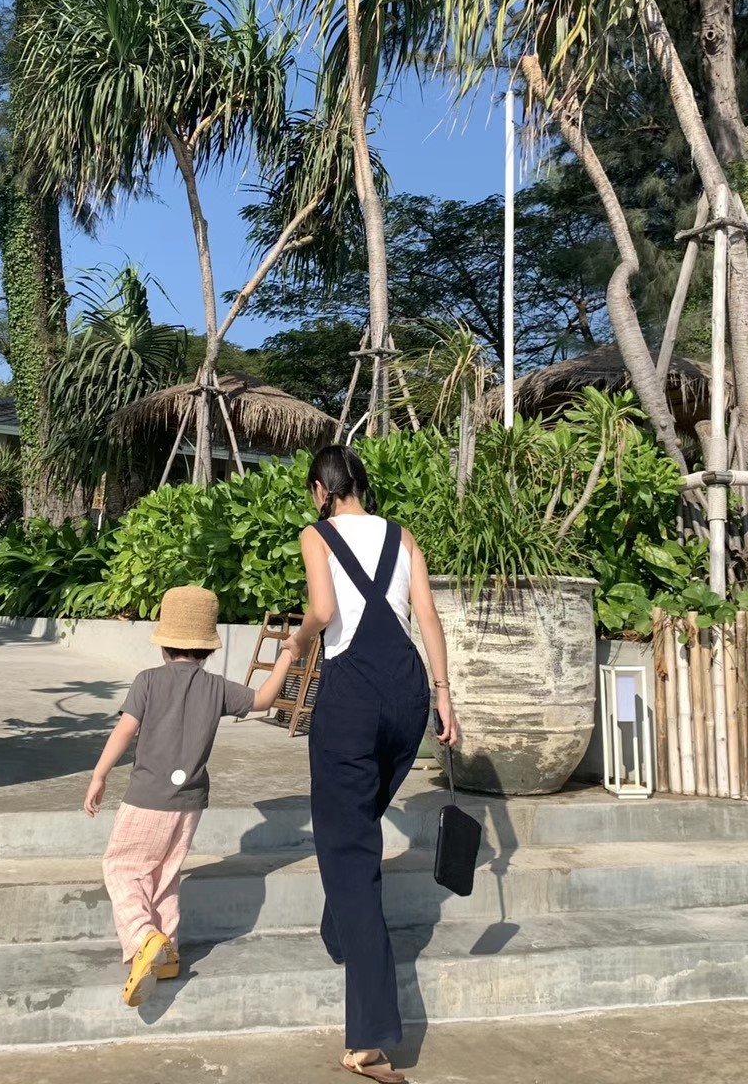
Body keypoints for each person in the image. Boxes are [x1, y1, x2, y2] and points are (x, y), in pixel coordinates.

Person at [282, 444, 458, 1084]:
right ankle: (340, 928)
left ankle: (372, 1039)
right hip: (408, 694)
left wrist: (295, 645)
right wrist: (443, 696)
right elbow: (427, 616)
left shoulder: (316, 535)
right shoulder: (401, 535)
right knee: (354, 832)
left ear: (321, 490)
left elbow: (324, 611)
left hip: (352, 697)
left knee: (348, 848)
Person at [84, 584, 293, 1008]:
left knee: (123, 867)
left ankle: (144, 938)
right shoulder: (216, 687)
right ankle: (168, 956)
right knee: (165, 875)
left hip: (147, 797)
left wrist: (99, 775)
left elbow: (125, 730)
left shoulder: (148, 681)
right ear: (208, 648)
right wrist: (289, 654)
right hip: (190, 804)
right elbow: (265, 699)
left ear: (164, 643)